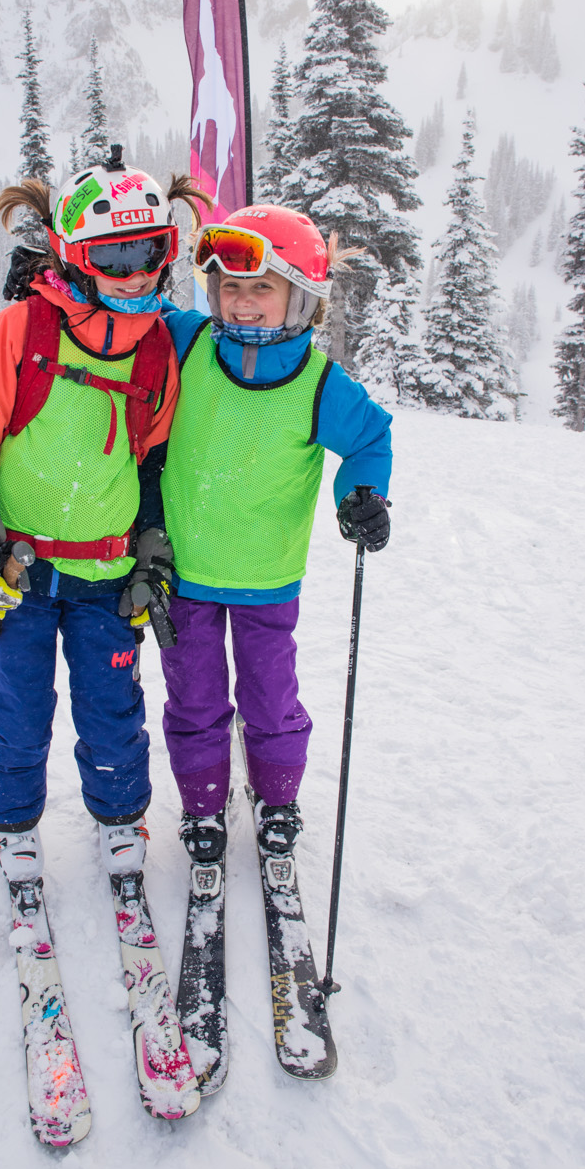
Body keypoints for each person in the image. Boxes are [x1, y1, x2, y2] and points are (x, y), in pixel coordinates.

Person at [0, 150, 209, 885]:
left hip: (107, 570)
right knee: (15, 704)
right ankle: (12, 823)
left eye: (148, 251)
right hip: (17, 571)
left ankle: (120, 818)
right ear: (70, 256)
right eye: (110, 255)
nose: (132, 273)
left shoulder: (159, 347)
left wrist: (152, 540)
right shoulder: (17, 333)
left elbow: (150, 460)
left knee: (111, 707)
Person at [157, 204, 393, 866]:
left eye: (261, 286)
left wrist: (362, 496)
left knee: (269, 700)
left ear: (300, 297)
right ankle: (203, 803)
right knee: (195, 700)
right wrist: (51, 284)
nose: (242, 302)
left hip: (266, 578)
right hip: (184, 574)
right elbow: (124, 309)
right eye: (230, 286)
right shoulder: (187, 343)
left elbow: (370, 440)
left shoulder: (319, 385)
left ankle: (278, 797)